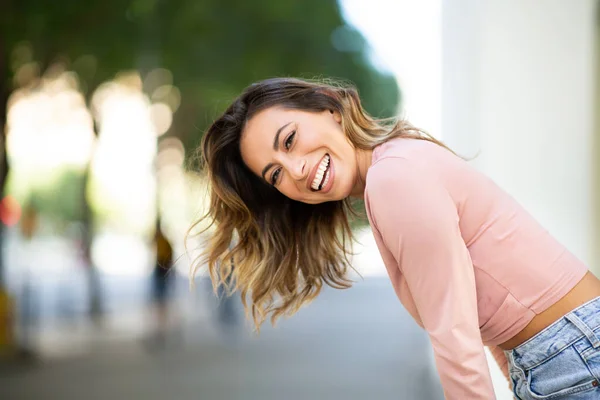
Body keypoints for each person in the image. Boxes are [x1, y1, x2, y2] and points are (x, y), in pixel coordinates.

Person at [191, 77, 600, 399]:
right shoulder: (396, 162)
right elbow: (486, 316)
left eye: (290, 140)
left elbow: (453, 334)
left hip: (574, 358)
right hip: (565, 354)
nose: (296, 170)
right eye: (275, 174)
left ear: (329, 107)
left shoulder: (393, 180)